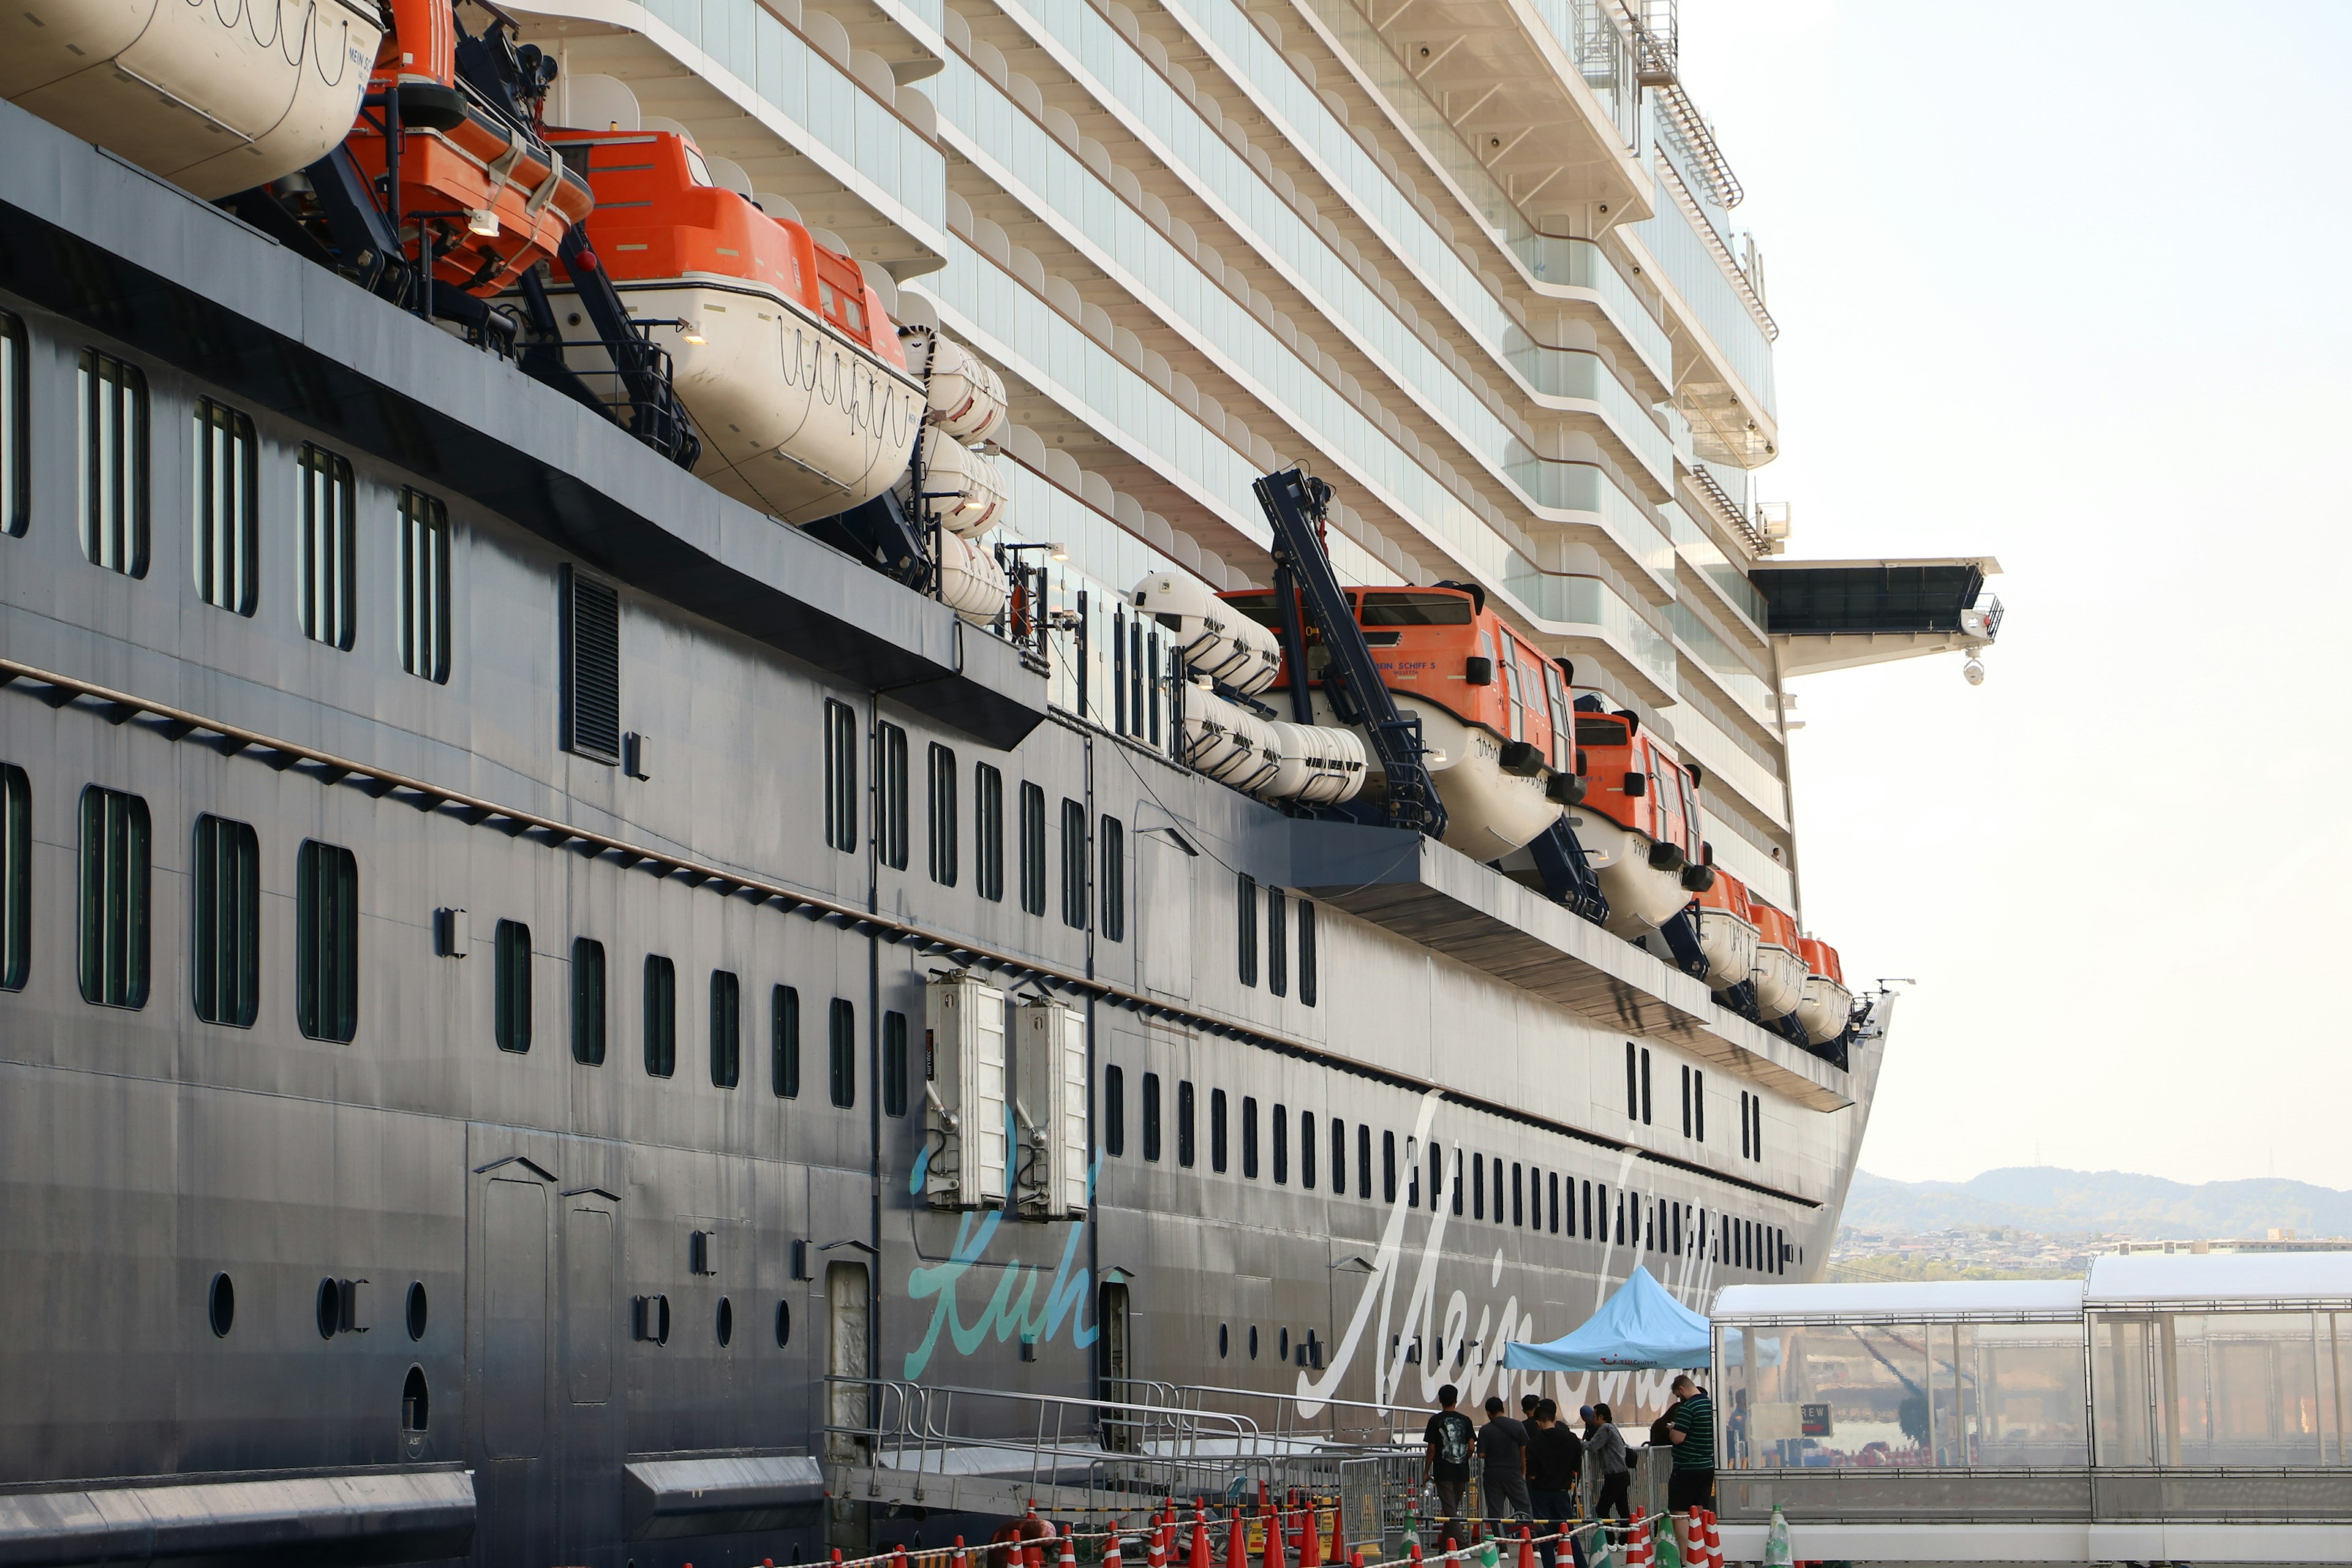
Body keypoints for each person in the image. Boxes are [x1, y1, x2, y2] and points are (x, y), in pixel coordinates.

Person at [1525, 1398, 1585, 1568]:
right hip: (1562, 1491)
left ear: (1538, 1423)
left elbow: (1533, 1475)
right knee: (1568, 1531)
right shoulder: (1571, 1439)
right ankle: (1581, 1564)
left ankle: (1549, 1565)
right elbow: (1575, 1467)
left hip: (1541, 1493)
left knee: (1545, 1535)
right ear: (1555, 1419)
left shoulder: (1534, 1443)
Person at [1664, 1373, 1717, 1552]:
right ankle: (1706, 1553)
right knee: (1701, 1511)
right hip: (1707, 1466)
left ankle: (1687, 1558)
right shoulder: (1711, 1405)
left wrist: (1673, 1430)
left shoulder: (1688, 1408)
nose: (1680, 1400)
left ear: (1681, 1390)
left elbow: (1678, 1438)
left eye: (1679, 1396)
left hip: (1686, 1468)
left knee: (1680, 1513)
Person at [1423, 1384, 1477, 1546]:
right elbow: (1472, 1446)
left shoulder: (1435, 1421)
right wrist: (1464, 1458)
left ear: (1440, 1400)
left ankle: (1461, 1545)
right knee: (1451, 1509)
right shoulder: (1466, 1420)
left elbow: (1432, 1448)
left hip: (1443, 1470)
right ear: (1456, 1400)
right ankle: (1446, 1546)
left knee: (1450, 1510)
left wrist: (1426, 1471)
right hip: (1461, 1470)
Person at [1478, 1395, 1533, 1529]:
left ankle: (1501, 1545)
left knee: (1495, 1512)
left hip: (1493, 1476)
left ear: (1488, 1412)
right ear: (1503, 1409)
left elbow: (1481, 1454)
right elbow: (1524, 1450)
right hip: (1514, 1474)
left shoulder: (1485, 1430)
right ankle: (1532, 1543)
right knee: (1524, 1509)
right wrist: (1524, 1472)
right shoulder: (1518, 1425)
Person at [1583, 1401, 1630, 1522]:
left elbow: (1593, 1446)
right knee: (1623, 1509)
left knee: (1602, 1509)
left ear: (1601, 1417)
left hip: (1614, 1475)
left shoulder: (1605, 1428)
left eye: (1594, 1417)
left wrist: (1579, 1444)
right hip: (1622, 1473)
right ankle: (1625, 1537)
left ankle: (1609, 1538)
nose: (1592, 1420)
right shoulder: (1612, 1427)